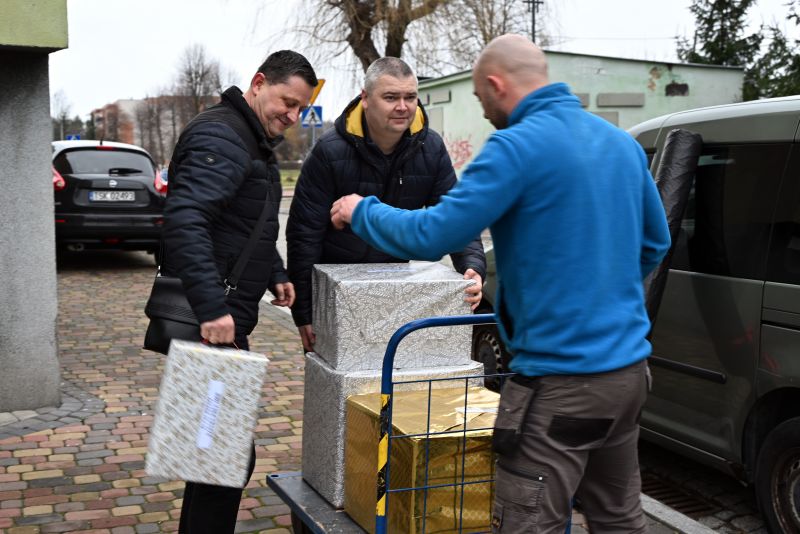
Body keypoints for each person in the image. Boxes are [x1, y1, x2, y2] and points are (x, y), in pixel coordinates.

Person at [330, 35, 671, 533]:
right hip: (627, 378)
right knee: (619, 518)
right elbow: (654, 245)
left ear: (495, 85)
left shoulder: (516, 147)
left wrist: (363, 210)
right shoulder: (619, 144)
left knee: (528, 522)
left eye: (479, 97)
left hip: (560, 387)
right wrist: (600, 292)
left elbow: (437, 232)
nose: (484, 109)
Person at [160, 50, 317, 534]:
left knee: (214, 456)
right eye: (285, 102)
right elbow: (185, 221)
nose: (290, 116)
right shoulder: (222, 136)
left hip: (224, 316)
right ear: (258, 82)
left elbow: (241, 223)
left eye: (299, 110)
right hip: (212, 320)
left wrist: (275, 271)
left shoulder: (247, 140)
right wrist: (211, 308)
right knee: (220, 458)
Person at [286, 56, 486, 352]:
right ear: (365, 98)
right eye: (391, 97)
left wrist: (472, 266)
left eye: (410, 97)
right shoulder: (329, 151)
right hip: (335, 295)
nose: (403, 107)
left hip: (395, 291)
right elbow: (304, 235)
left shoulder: (431, 148)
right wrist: (304, 312)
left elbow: (456, 217)